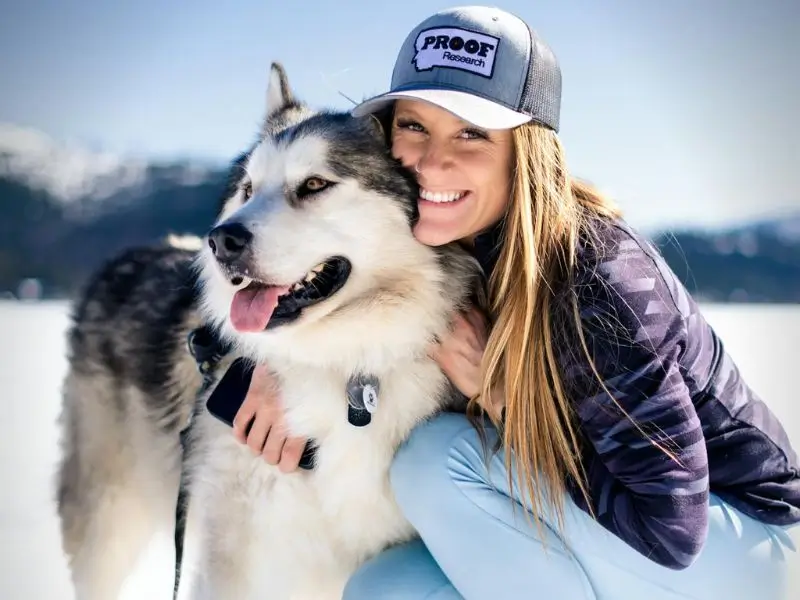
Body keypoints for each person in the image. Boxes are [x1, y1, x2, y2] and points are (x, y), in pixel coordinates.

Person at [230, 6, 800, 599]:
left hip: (734, 545)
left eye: (471, 133)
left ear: (524, 151)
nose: (432, 161)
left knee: (434, 463)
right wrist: (281, 365)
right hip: (629, 532)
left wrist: (497, 397)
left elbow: (672, 526)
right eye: (415, 126)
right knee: (384, 589)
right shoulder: (459, 246)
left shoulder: (600, 284)